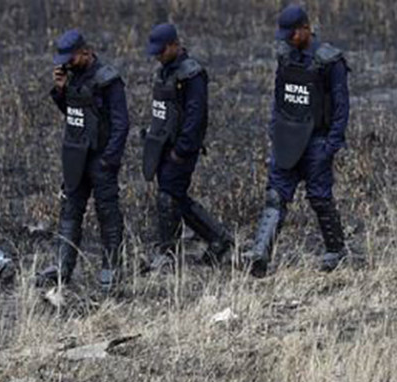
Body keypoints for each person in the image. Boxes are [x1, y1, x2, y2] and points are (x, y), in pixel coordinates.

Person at [244, 5, 350, 278]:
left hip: (317, 140)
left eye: (292, 34)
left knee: (319, 198)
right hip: (287, 137)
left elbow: (341, 106)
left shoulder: (329, 61)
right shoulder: (285, 56)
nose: (288, 40)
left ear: (305, 28)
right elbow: (279, 96)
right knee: (275, 195)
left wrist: (331, 145)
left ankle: (337, 250)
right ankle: (260, 254)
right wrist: (273, 129)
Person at [38, 29, 129, 292]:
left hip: (100, 158)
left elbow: (121, 125)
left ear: (85, 52)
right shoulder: (72, 78)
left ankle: (111, 272)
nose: (66, 63)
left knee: (108, 214)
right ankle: (62, 269)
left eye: (71, 57)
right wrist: (60, 91)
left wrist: (109, 160)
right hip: (75, 156)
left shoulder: (108, 79)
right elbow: (73, 114)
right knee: (70, 211)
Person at [141, 23, 233, 270]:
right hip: (162, 146)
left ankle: (167, 256)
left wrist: (182, 149)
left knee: (167, 197)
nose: (157, 57)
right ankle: (219, 239)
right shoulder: (165, 71)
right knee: (176, 198)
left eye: (161, 51)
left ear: (174, 45)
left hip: (180, 150)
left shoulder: (192, 74)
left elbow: (196, 115)